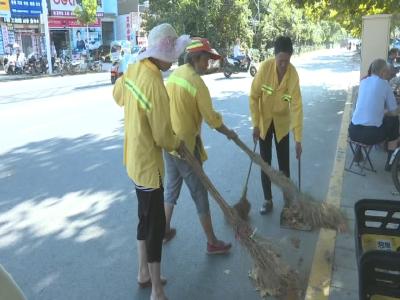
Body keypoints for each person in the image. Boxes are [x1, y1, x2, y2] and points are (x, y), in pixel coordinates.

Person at [113, 23, 190, 300]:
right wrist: (176, 143)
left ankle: (143, 273)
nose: (173, 61)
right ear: (161, 55)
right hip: (148, 168)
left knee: (144, 220)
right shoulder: (156, 83)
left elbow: (117, 96)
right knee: (156, 228)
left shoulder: (134, 69)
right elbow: (162, 135)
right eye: (171, 55)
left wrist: (125, 74)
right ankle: (157, 290)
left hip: (133, 161)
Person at [163, 38, 236, 254]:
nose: (209, 64)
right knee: (200, 193)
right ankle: (212, 242)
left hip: (169, 142)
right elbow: (212, 119)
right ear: (196, 58)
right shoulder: (197, 83)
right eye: (206, 59)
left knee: (172, 188)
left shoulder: (175, 75)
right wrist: (229, 133)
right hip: (185, 148)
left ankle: (164, 230)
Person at [249, 36, 303, 214]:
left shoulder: (292, 74)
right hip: (264, 122)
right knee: (265, 163)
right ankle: (267, 200)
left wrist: (298, 139)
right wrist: (255, 124)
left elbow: (296, 106)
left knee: (284, 165)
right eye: (280, 60)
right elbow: (254, 97)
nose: (283, 65)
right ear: (274, 57)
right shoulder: (265, 69)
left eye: (287, 61)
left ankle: (288, 200)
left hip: (281, 123)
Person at [349, 59, 399, 171]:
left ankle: (358, 152)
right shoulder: (385, 84)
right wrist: (385, 112)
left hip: (353, 131)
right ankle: (390, 163)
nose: (389, 74)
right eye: (388, 72)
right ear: (383, 72)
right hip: (371, 135)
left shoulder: (363, 82)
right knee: (394, 121)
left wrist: (382, 111)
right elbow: (394, 111)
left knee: (363, 117)